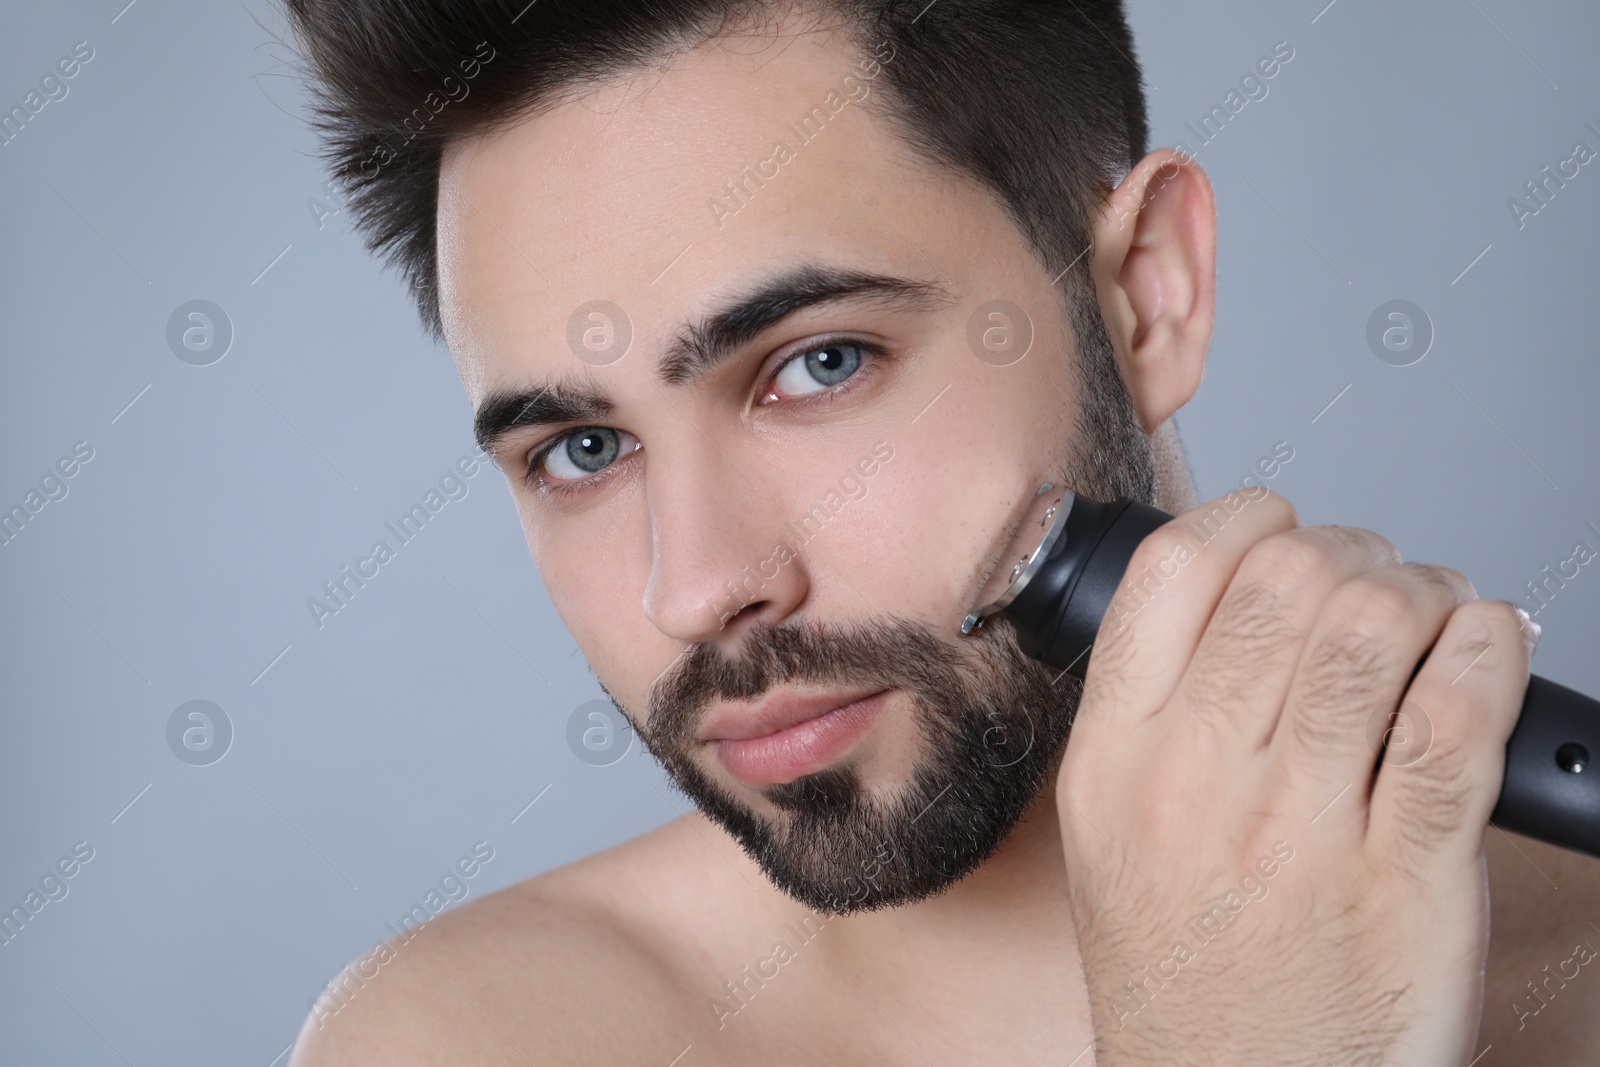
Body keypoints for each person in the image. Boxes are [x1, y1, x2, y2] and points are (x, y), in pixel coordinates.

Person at [283, 1, 1600, 1062]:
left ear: (1146, 295)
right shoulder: (477, 1040)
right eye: (582, 450)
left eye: (819, 365)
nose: (696, 589)